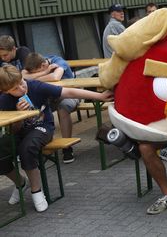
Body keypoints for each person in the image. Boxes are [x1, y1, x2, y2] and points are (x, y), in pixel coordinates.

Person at [0, 65, 113, 212]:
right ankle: (21, 183)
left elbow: (67, 91)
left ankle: (36, 190)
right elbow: (13, 129)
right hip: (19, 131)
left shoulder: (35, 86)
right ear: (5, 91)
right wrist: (19, 116)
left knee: (27, 148)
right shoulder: (4, 99)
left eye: (21, 83)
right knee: (1, 152)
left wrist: (100, 96)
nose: (21, 89)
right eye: (15, 89)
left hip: (42, 127)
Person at [21, 52, 79, 164]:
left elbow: (55, 77)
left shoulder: (58, 62)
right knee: (33, 107)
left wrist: (32, 78)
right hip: (49, 98)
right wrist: (46, 72)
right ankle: (40, 145)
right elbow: (23, 75)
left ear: (43, 65)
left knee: (63, 107)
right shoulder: (40, 65)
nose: (38, 75)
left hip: (69, 94)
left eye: (38, 72)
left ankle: (67, 148)